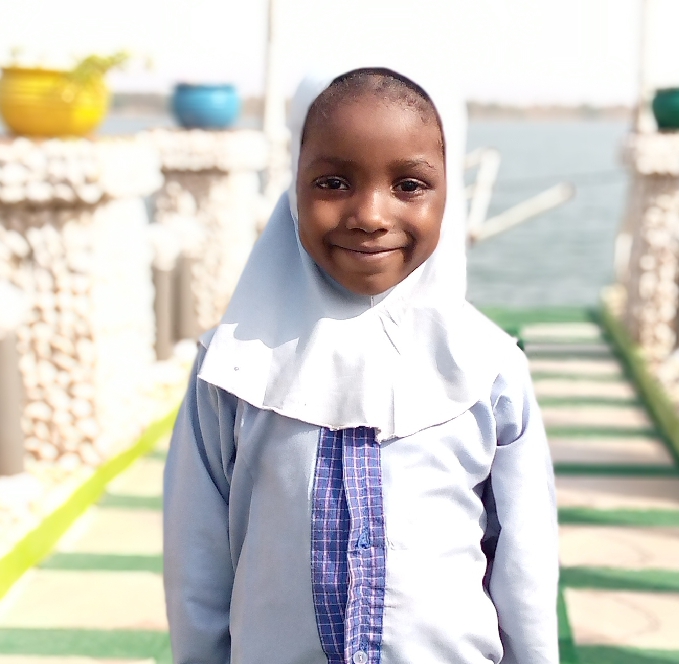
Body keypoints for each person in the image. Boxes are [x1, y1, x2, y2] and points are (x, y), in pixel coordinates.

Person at [163, 61, 559, 664]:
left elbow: (524, 563)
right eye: (332, 182)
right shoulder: (232, 370)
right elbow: (197, 563)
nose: (371, 215)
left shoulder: (488, 369)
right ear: (292, 187)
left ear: (449, 193)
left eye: (410, 185)